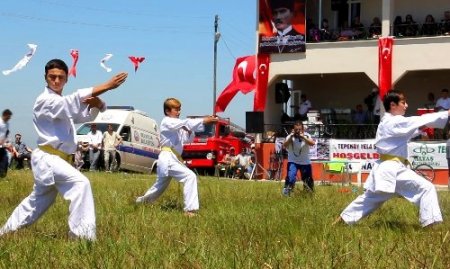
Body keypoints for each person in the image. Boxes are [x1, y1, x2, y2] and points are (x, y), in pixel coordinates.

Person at [0, 59, 127, 240]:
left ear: (66, 79)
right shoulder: (44, 100)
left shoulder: (59, 101)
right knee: (81, 184)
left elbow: (78, 115)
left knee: (36, 202)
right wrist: (106, 85)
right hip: (48, 157)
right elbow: (72, 101)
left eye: (61, 77)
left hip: (54, 159)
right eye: (52, 77)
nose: (56, 81)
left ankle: (5, 232)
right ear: (46, 78)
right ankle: (81, 238)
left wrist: (98, 105)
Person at [334, 90, 446, 228]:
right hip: (392, 169)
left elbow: (407, 131)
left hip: (389, 169)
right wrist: (446, 114)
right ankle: (431, 226)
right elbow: (416, 121)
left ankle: (340, 222)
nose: (406, 105)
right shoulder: (393, 122)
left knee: (369, 200)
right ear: (393, 105)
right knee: (426, 188)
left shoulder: (389, 122)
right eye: (403, 102)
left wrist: (423, 126)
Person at [136, 98, 218, 216]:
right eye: (176, 110)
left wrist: (200, 123)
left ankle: (140, 202)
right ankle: (190, 210)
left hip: (173, 158)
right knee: (190, 177)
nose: (178, 112)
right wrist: (204, 120)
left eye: (179, 109)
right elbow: (186, 122)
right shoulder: (166, 122)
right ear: (167, 111)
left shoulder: (177, 126)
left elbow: (188, 138)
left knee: (158, 188)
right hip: (167, 158)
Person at [282, 121, 315, 196]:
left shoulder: (307, 136)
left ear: (303, 129)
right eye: (296, 130)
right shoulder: (290, 136)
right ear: (293, 129)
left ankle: (308, 193)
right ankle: (287, 193)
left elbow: (312, 143)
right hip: (293, 161)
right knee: (291, 177)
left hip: (305, 162)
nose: (298, 131)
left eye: (299, 129)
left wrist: (303, 137)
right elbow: (284, 146)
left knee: (307, 179)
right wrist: (291, 137)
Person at [0, 109, 13, 178]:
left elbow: (6, 134)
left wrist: (8, 142)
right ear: (5, 115)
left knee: (5, 161)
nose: (9, 118)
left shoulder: (7, 124)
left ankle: (2, 177)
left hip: (2, 146)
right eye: (8, 117)